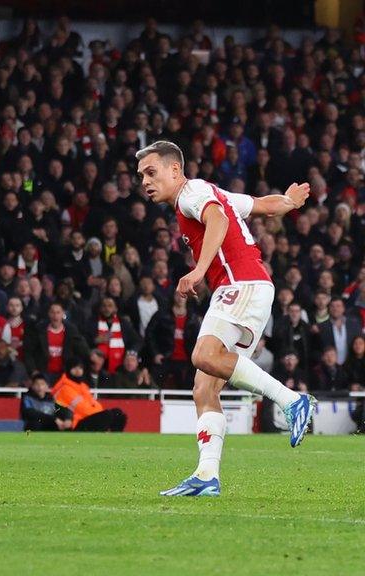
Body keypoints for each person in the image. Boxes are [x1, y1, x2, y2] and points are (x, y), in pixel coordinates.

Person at [136, 140, 315, 497]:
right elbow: (261, 205)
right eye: (141, 175)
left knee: (203, 355)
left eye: (151, 172)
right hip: (246, 287)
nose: (144, 181)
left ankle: (291, 400)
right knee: (204, 388)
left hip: (242, 283)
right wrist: (290, 201)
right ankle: (207, 475)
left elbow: (216, 218)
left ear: (175, 170)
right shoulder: (210, 192)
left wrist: (199, 269)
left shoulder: (193, 193)